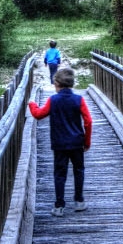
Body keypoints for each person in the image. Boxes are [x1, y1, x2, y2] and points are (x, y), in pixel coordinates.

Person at [29, 67, 93, 216]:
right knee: (79, 170)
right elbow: (88, 121)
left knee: (59, 173)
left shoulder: (53, 100)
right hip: (77, 142)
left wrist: (32, 105)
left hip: (59, 144)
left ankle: (59, 206)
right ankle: (79, 201)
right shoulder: (79, 99)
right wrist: (87, 141)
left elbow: (39, 114)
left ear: (57, 83)